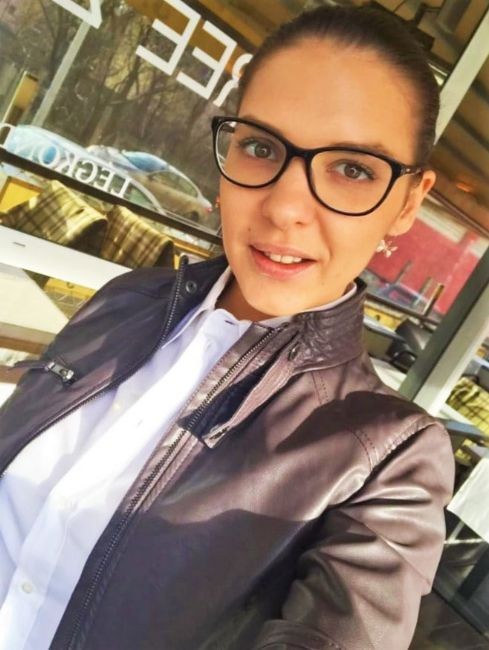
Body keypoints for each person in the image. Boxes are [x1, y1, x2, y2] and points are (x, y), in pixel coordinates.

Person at [0, 5, 455, 649]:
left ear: (408, 202)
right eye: (261, 147)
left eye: (353, 169)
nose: (286, 207)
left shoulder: (390, 456)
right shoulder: (129, 300)